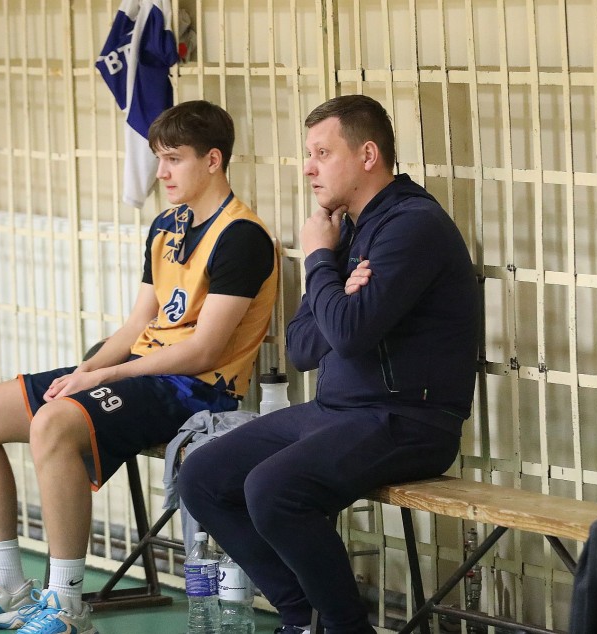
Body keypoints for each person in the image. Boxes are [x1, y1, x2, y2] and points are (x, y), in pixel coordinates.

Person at [0, 100, 278, 634]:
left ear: (212, 160)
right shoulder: (167, 225)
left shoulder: (242, 235)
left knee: (53, 423)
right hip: (143, 373)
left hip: (196, 389)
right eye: (158, 158)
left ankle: (66, 605)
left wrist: (105, 377)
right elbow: (137, 324)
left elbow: (205, 351)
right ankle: (4, 586)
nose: (161, 172)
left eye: (174, 159)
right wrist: (85, 372)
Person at [178, 94, 481, 634]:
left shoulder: (413, 226)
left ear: (367, 155)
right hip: (338, 411)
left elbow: (347, 332)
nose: (309, 168)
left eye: (322, 153)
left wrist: (319, 259)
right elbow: (301, 349)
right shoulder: (349, 229)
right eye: (308, 154)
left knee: (273, 489)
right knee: (202, 476)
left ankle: (345, 628)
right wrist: (337, 285)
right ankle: (303, 618)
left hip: (409, 420)